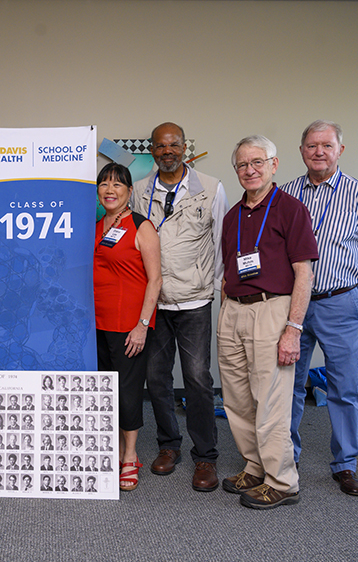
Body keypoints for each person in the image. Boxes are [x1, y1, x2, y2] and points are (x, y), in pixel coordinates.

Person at [282, 120, 358, 497]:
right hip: (293, 304)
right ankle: (287, 456)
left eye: (326, 145)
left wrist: (351, 274)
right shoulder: (287, 193)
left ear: (340, 150)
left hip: (339, 302)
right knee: (290, 383)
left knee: (343, 387)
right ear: (301, 151)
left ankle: (345, 463)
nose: (319, 152)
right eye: (311, 145)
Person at [218, 135, 317, 510]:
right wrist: (226, 311)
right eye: (243, 164)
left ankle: (282, 481)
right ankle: (255, 466)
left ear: (274, 165)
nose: (250, 170)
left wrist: (293, 329)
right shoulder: (232, 217)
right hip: (234, 311)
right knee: (238, 399)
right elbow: (229, 268)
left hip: (272, 309)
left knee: (271, 400)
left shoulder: (291, 209)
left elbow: (303, 275)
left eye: (258, 162)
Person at [131, 122, 229, 492]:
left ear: (185, 148)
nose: (167, 151)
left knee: (197, 379)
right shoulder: (140, 191)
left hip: (194, 300)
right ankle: (169, 446)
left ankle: (205, 455)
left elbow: (222, 240)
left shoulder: (210, 187)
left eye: (174, 145)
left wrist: (212, 283)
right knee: (156, 379)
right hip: (155, 302)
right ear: (152, 150)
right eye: (160, 146)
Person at [94, 162, 162, 492]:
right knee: (105, 391)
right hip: (96, 325)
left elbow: (155, 279)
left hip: (128, 326)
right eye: (104, 184)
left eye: (117, 185)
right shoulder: (96, 227)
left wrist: (142, 325)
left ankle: (131, 455)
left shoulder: (141, 226)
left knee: (127, 391)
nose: (110, 190)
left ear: (129, 191)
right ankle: (117, 450)